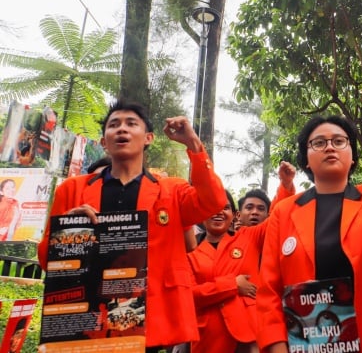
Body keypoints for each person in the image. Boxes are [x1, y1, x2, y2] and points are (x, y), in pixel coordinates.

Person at [37, 99, 228, 351]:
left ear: (148, 138)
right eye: (114, 124)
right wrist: (68, 229)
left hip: (149, 318)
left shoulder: (172, 191)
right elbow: (45, 260)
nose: (122, 129)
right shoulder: (72, 190)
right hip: (88, 318)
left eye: (131, 124)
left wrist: (193, 144)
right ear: (104, 141)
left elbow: (214, 201)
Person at [256, 83, 362, 352]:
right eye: (319, 143)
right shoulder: (284, 211)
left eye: (339, 141)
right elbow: (268, 289)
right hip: (306, 343)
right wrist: (277, 347)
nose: (329, 147)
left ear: (352, 157)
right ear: (306, 161)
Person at [188, 162, 296, 353]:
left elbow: (277, 217)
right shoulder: (190, 252)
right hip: (209, 339)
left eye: (225, 207)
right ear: (201, 213)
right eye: (211, 207)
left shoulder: (248, 236)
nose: (219, 212)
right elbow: (188, 296)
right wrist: (232, 285)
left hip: (250, 335)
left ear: (234, 214)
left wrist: (286, 185)